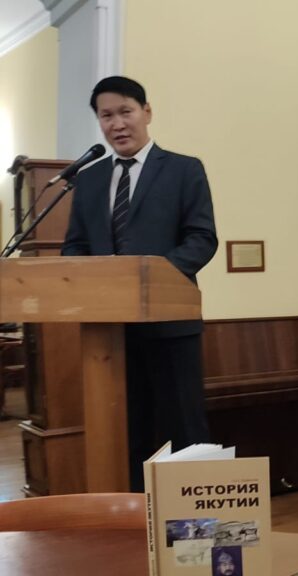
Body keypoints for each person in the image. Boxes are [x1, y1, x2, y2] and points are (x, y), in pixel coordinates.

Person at [62, 76, 218, 491]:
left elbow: (202, 239)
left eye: (125, 112)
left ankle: (192, 521)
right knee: (127, 433)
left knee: (185, 431)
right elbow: (75, 246)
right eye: (106, 116)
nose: (117, 124)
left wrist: (147, 278)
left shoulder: (184, 169)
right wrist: (96, 279)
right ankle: (133, 516)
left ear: (146, 112)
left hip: (171, 327)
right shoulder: (89, 179)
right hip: (111, 334)